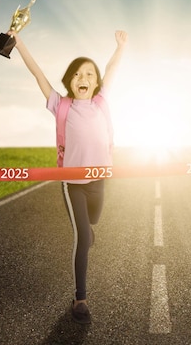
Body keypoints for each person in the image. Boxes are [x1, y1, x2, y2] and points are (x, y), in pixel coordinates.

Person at [8, 28, 128, 324]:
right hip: (73, 183)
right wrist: (19, 42)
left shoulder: (102, 102)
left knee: (94, 221)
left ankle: (89, 230)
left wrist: (120, 47)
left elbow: (112, 68)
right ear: (69, 82)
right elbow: (37, 74)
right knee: (83, 236)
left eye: (89, 74)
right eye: (76, 75)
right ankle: (80, 298)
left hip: (99, 180)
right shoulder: (61, 105)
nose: (83, 79)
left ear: (96, 83)